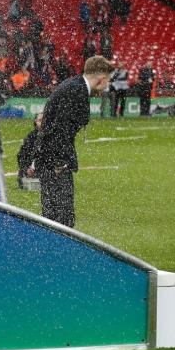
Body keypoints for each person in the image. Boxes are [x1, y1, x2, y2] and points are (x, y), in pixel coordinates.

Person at [36, 55, 113, 227]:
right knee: (61, 220)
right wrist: (59, 162)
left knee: (55, 218)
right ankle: (56, 252)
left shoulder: (74, 85)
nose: (107, 85)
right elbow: (60, 129)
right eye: (108, 80)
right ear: (101, 78)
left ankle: (53, 250)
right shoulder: (76, 90)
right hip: (55, 163)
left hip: (51, 159)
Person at [16, 113, 42, 190]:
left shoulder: (53, 136)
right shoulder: (31, 137)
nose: (43, 123)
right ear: (35, 121)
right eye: (40, 120)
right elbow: (21, 155)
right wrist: (26, 169)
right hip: (31, 171)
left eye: (45, 120)